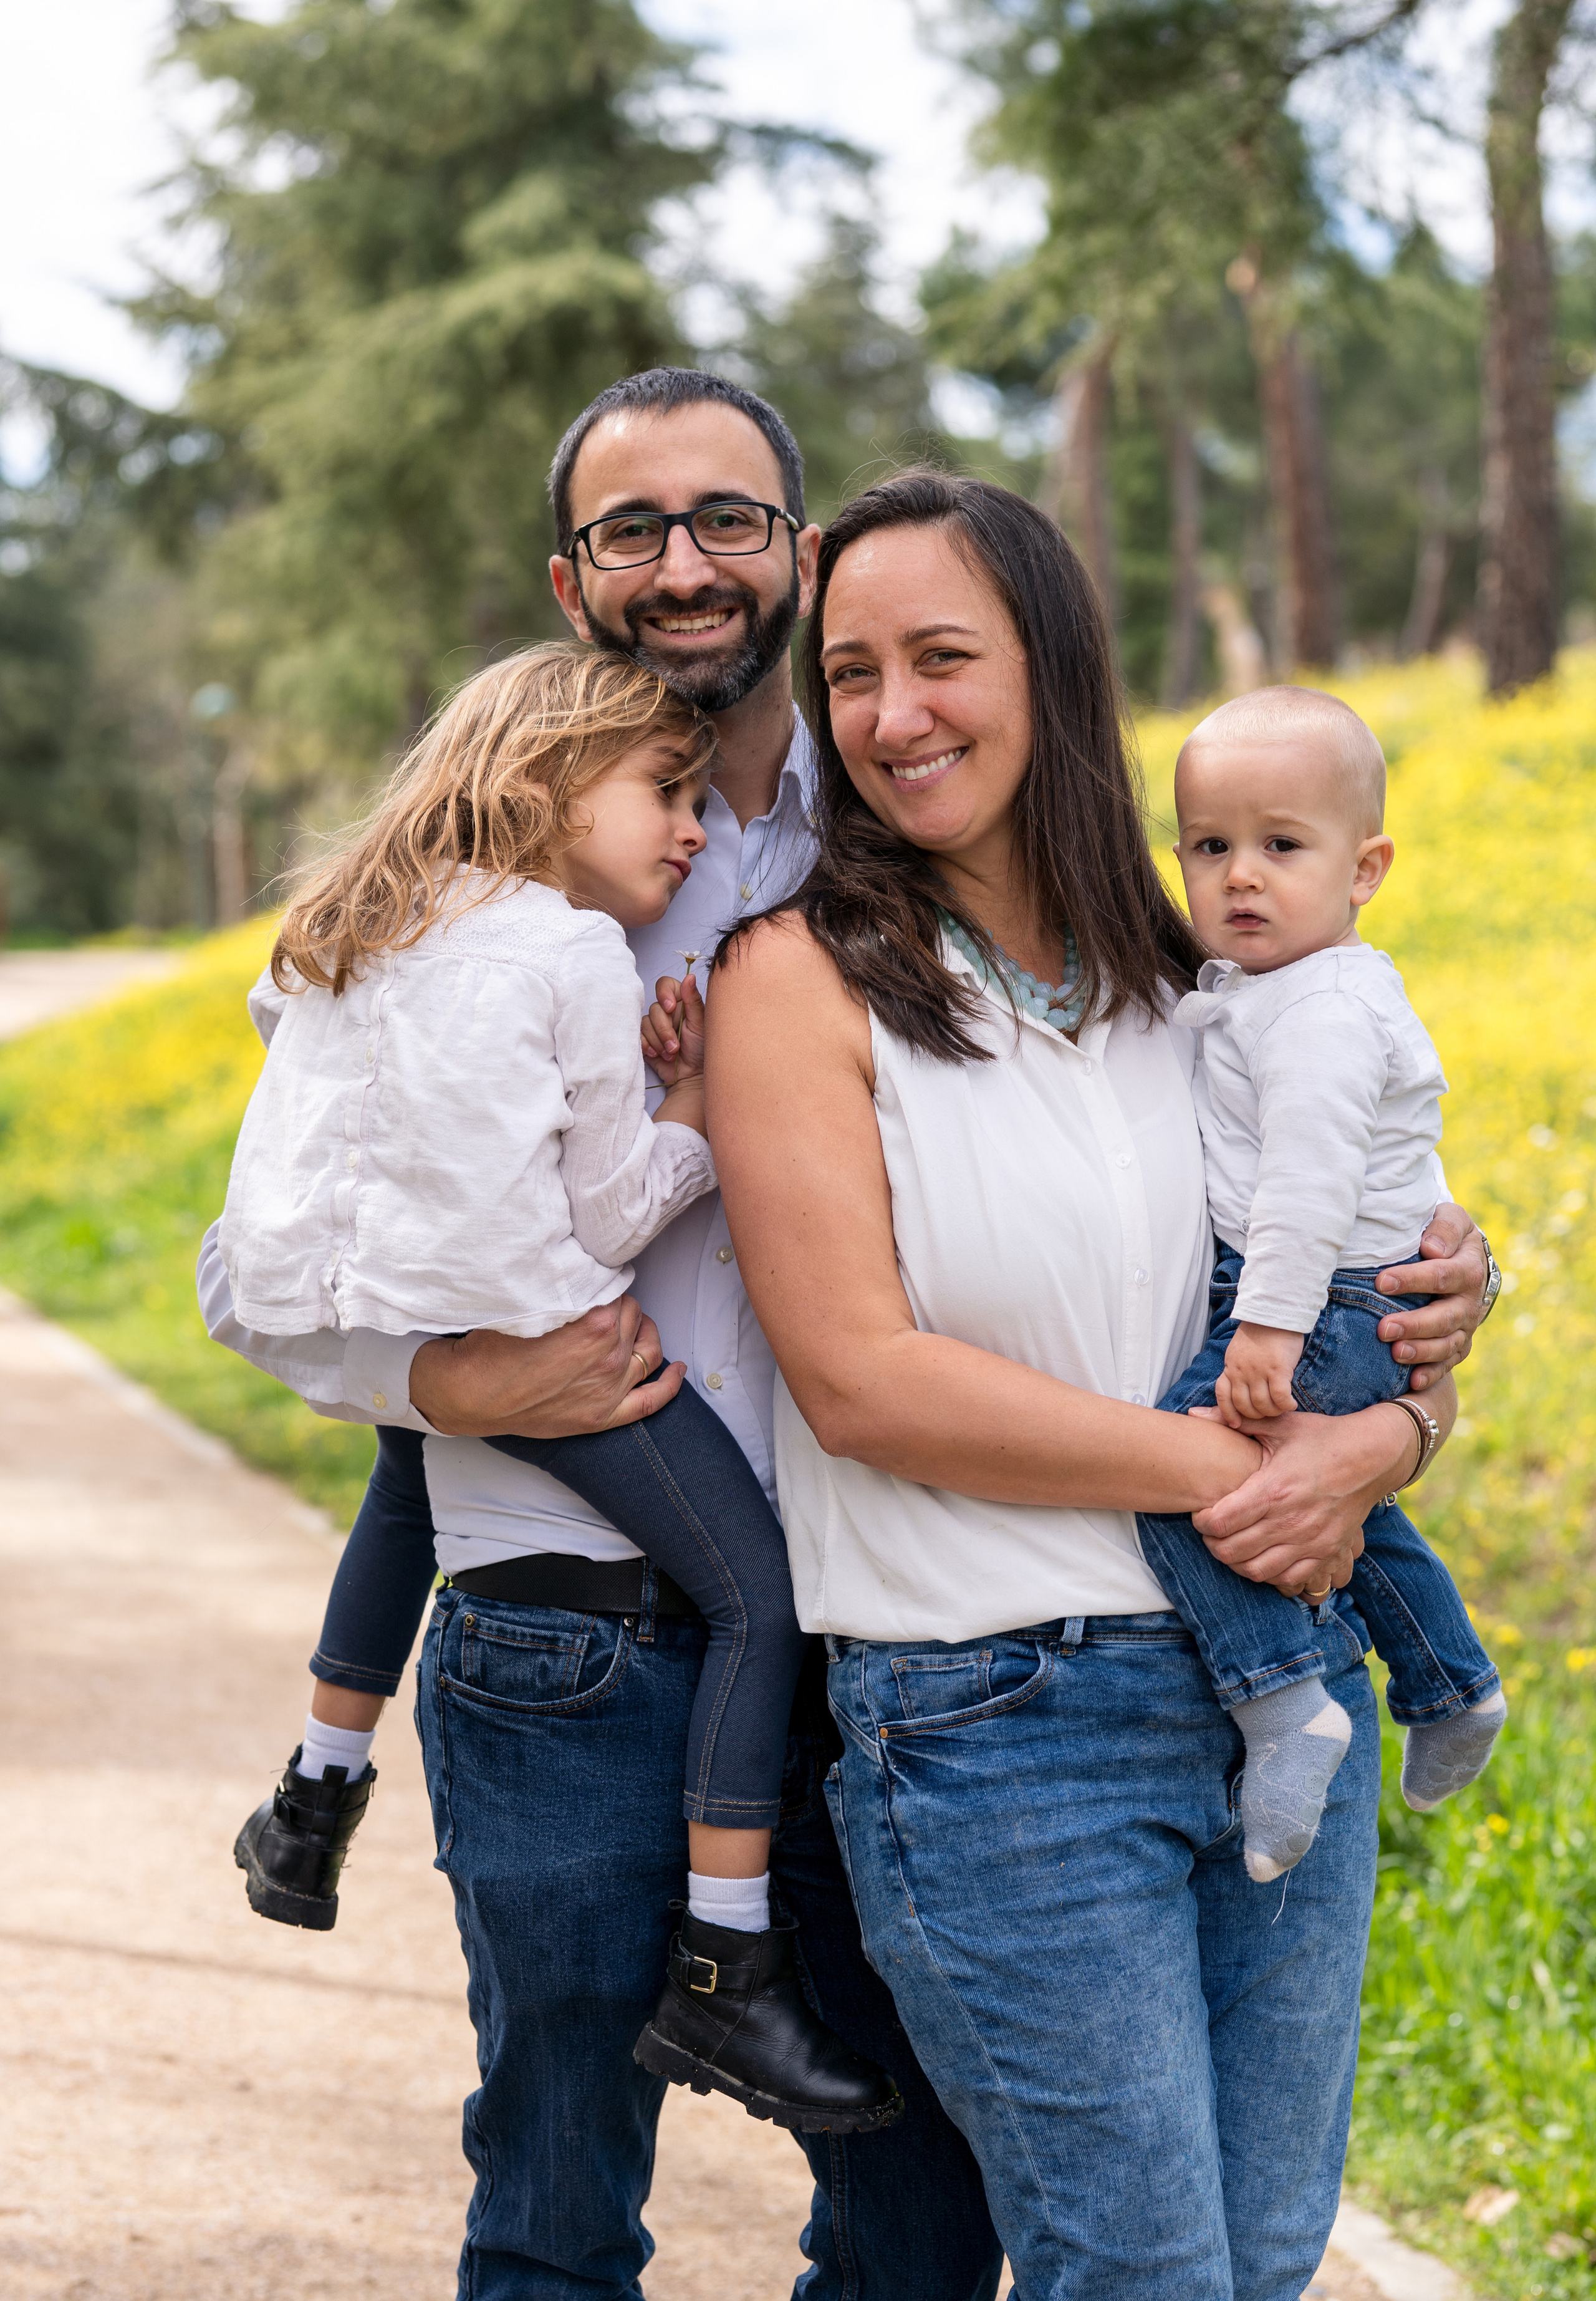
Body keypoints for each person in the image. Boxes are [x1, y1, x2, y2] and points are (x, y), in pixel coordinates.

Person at [199, 371, 1012, 2300]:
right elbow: (254, 1273)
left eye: (728, 519)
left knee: (920, 2210)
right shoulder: (439, 907)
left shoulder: (919, 833)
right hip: (552, 1630)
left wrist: (1414, 1244)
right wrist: (439, 1381)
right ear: (573, 580)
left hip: (882, 1625)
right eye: (633, 530)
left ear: (796, 553)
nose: (687, 565)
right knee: (556, 2201)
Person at [706, 466, 1497, 2300]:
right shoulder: (794, 979)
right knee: (1140, 2275)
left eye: (942, 658)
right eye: (851, 674)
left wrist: (1400, 1412)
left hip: (1277, 1691)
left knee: (1263, 2259)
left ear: (1052, 667)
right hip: (997, 1729)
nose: (894, 715)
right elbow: (865, 1380)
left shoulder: (1206, 973)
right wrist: (1254, 1478)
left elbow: (1355, 1284)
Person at [221, 638, 897, 2131]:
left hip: (381, 1339)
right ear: (544, 779)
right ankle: (726, 1967)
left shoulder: (361, 929)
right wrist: (693, 1098)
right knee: (756, 1599)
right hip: (565, 1352)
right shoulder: (572, 949)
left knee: (406, 1474)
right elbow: (602, 1218)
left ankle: (313, 1797)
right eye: (660, 789)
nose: (688, 825)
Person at [1127, 684, 1505, 1884]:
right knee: (1348, 1501)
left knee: (1185, 1467)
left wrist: (1265, 1329)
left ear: (1366, 866)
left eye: (1282, 846)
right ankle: (1453, 1687)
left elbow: (1306, 1183)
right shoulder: (1261, 988)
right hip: (1339, 1291)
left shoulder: (1329, 1010)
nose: (1241, 876)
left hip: (1325, 1292)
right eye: (1210, 846)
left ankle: (1284, 1704)